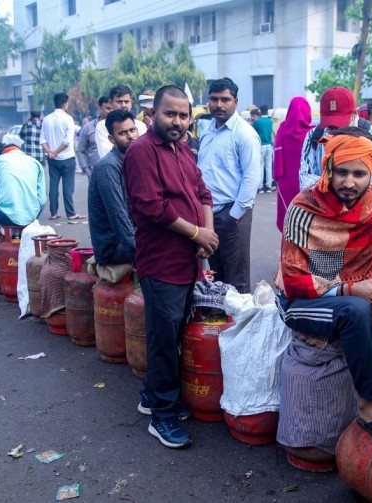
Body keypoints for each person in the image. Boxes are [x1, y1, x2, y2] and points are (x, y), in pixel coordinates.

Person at [275, 128, 372, 447]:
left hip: (351, 304)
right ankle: (369, 402)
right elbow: (294, 281)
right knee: (356, 307)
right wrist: (351, 289)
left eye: (359, 173)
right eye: (342, 172)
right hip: (302, 306)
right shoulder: (303, 208)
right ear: (328, 169)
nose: (350, 182)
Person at [123, 85, 217, 449]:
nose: (177, 121)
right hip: (160, 263)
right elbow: (151, 207)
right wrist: (197, 234)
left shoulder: (184, 151)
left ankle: (152, 397)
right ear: (153, 114)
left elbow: (203, 194)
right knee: (163, 340)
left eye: (183, 115)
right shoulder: (141, 151)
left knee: (174, 334)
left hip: (187, 261)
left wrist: (205, 233)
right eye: (170, 114)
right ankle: (162, 416)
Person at [299, 86, 372, 388]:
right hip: (324, 229)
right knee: (332, 289)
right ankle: (338, 362)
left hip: (366, 226)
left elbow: (368, 185)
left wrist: (333, 183)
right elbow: (305, 180)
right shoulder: (313, 137)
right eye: (329, 122)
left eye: (339, 122)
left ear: (353, 115)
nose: (333, 128)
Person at [197, 77, 262, 294]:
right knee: (216, 273)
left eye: (225, 99)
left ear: (235, 101)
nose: (219, 105)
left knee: (237, 276)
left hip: (232, 213)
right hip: (209, 214)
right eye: (214, 99)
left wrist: (234, 216)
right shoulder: (207, 130)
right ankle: (221, 323)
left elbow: (252, 178)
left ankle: (241, 324)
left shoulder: (244, 134)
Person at [88, 109, 139, 283]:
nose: (130, 136)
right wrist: (142, 250)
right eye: (123, 133)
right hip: (113, 247)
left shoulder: (132, 161)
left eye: (132, 130)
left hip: (129, 237)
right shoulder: (108, 167)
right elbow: (120, 220)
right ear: (111, 139)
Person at [0, 144, 47, 227]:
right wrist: (34, 214)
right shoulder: (36, 163)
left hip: (3, 216)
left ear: (3, 153)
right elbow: (42, 199)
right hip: (31, 217)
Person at [41, 92, 83, 220]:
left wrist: (50, 152)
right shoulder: (68, 119)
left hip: (52, 159)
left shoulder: (47, 119)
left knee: (53, 186)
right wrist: (56, 152)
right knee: (68, 187)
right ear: (65, 104)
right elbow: (67, 141)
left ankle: (53, 213)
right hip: (67, 158)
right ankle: (71, 213)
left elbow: (42, 139)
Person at [273, 97, 312, 233]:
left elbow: (277, 154)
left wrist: (277, 176)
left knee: (288, 218)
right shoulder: (312, 132)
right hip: (307, 183)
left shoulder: (283, 128)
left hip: (286, 180)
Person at [76, 96, 112, 176]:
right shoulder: (88, 128)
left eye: (113, 109)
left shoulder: (119, 128)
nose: (111, 111)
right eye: (108, 108)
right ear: (99, 108)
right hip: (95, 173)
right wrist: (87, 171)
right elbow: (80, 150)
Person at [252, 105, 275, 194]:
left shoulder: (257, 122)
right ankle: (268, 187)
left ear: (260, 112)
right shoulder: (270, 121)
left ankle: (260, 187)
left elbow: (253, 132)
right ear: (267, 112)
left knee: (260, 166)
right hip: (269, 145)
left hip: (260, 145)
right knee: (268, 166)